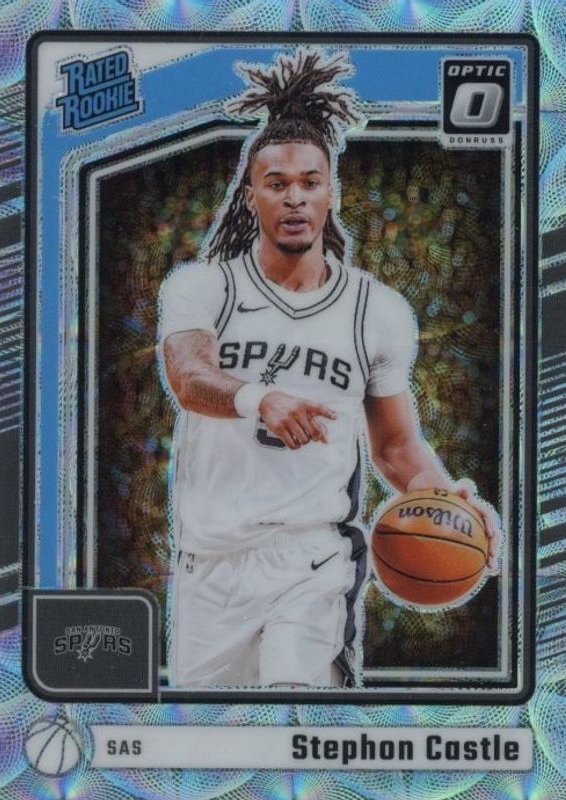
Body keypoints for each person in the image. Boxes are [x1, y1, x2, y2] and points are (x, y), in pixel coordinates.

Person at [158, 49, 497, 689]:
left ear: (331, 192)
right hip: (210, 565)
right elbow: (188, 376)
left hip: (312, 559)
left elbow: (395, 446)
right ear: (251, 195)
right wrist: (259, 398)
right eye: (277, 183)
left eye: (310, 182)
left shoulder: (376, 310)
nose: (295, 197)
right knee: (216, 741)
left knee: (299, 712)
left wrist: (443, 494)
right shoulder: (204, 287)